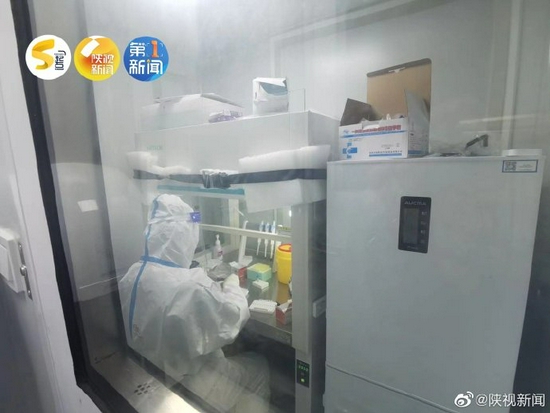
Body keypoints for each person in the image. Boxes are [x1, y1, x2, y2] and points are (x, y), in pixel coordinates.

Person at [118, 194, 270, 413]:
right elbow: (232, 318)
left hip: (152, 374)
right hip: (191, 386)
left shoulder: (131, 276)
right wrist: (232, 284)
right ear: (183, 237)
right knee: (259, 366)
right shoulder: (190, 288)